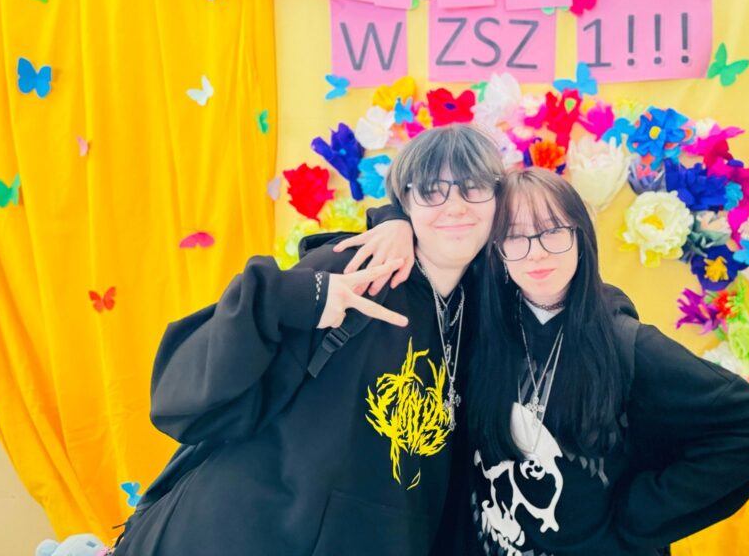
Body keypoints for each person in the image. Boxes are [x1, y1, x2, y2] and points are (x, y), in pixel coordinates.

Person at [111, 124, 503, 556]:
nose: (455, 206)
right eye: (432, 191)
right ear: (406, 202)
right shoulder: (357, 269)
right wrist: (299, 297)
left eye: (472, 187)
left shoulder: (483, 307)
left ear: (497, 199)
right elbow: (181, 391)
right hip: (245, 531)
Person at [464, 168, 749, 555]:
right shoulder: (487, 328)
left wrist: (642, 513)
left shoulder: (628, 344)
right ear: (497, 250)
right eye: (515, 236)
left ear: (580, 238)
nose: (535, 251)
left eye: (552, 231)